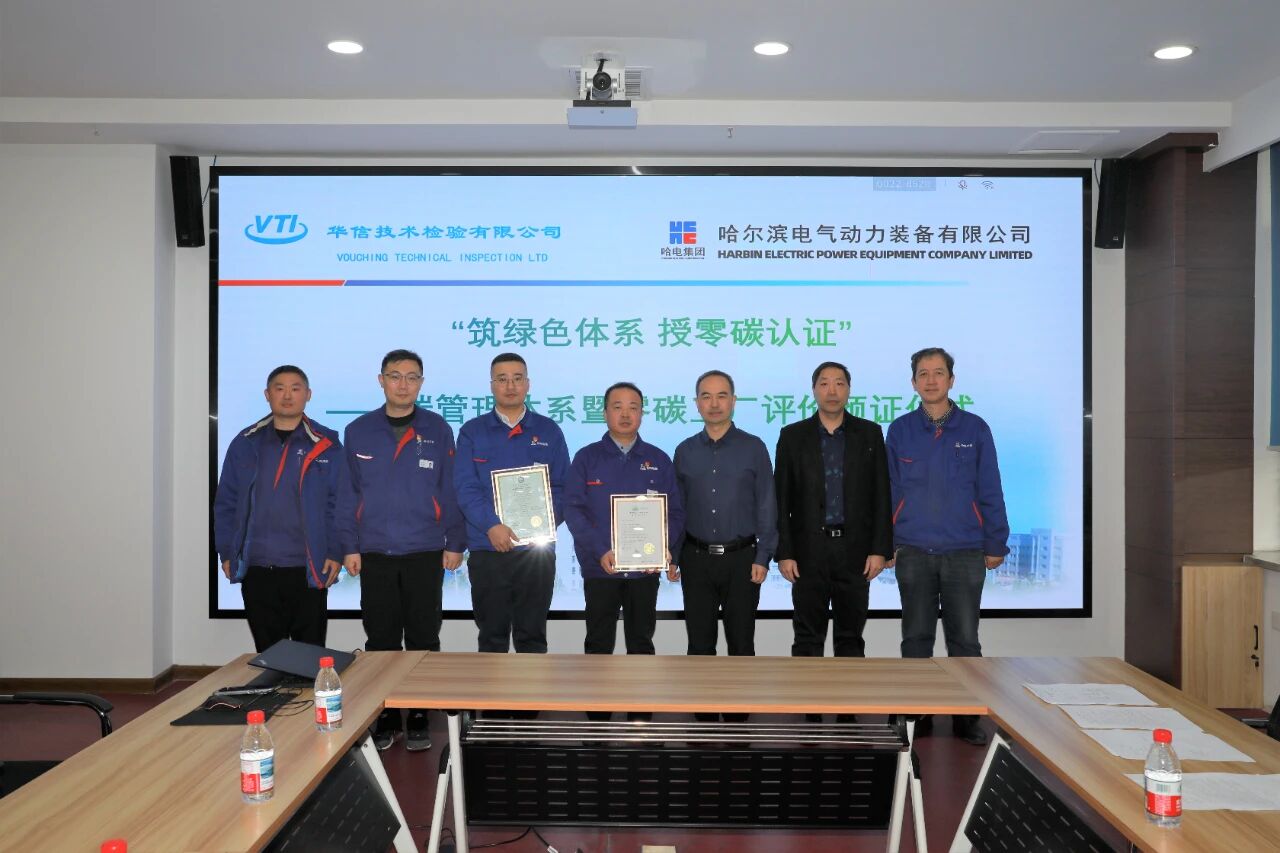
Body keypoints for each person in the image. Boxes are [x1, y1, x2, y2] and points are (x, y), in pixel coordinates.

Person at [339, 349, 465, 752]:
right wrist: (349, 546)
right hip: (374, 550)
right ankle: (387, 713)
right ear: (381, 381)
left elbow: (450, 488)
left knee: (424, 636)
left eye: (412, 377)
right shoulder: (358, 430)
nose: (403, 384)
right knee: (381, 638)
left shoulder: (437, 428)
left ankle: (419, 713)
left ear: (421, 383)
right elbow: (347, 493)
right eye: (395, 376)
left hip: (424, 549)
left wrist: (455, 541)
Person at [886, 347, 1009, 746]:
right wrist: (887, 542)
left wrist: (996, 540)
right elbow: (889, 491)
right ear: (913, 383)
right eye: (923, 374)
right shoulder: (900, 430)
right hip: (913, 551)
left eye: (938, 373)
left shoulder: (975, 429)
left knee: (965, 640)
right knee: (915, 639)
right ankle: (917, 715)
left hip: (965, 552)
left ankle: (965, 718)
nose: (931, 380)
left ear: (951, 380)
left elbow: (990, 487)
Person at [774, 361, 892, 719]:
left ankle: (847, 711)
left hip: (854, 552)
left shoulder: (869, 434)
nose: (832, 390)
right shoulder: (792, 436)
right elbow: (781, 499)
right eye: (824, 383)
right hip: (808, 552)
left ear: (848, 390)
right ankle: (809, 711)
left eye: (839, 383)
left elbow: (881, 495)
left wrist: (879, 549)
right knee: (807, 637)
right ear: (814, 390)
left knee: (850, 637)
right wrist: (785, 552)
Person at [565, 382, 685, 720]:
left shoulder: (658, 459)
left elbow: (676, 512)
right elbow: (573, 509)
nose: (625, 413)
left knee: (641, 642)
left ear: (642, 413)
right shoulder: (587, 458)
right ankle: (598, 717)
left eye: (633, 406)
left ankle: (640, 717)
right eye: (617, 406)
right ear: (605, 413)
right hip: (600, 568)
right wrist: (600, 550)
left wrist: (662, 549)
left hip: (644, 572)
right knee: (598, 642)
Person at [214, 365, 346, 653]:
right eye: (279, 388)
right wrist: (226, 551)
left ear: (308, 394)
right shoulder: (245, 442)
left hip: (307, 566)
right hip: (257, 566)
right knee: (270, 654)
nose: (287, 395)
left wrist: (336, 552)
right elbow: (226, 502)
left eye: (295, 388)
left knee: (309, 655)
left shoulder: (327, 445)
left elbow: (339, 505)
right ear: (267, 394)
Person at [671, 370, 776, 723]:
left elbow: (767, 504)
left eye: (721, 396)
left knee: (741, 643)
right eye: (706, 396)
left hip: (742, 559)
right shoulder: (684, 451)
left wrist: (763, 555)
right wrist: (672, 554)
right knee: (699, 644)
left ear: (733, 401)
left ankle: (737, 720)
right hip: (696, 558)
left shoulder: (754, 447)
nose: (714, 404)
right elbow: (677, 509)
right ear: (696, 403)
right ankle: (702, 719)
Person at [454, 353, 569, 659]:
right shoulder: (472, 432)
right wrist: (492, 526)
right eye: (502, 379)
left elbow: (562, 488)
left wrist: (540, 526)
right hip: (487, 548)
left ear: (528, 384)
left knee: (532, 637)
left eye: (517, 379)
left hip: (535, 552)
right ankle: (492, 694)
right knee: (492, 638)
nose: (510, 386)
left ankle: (531, 694)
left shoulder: (548, 431)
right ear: (492, 385)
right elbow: (465, 488)